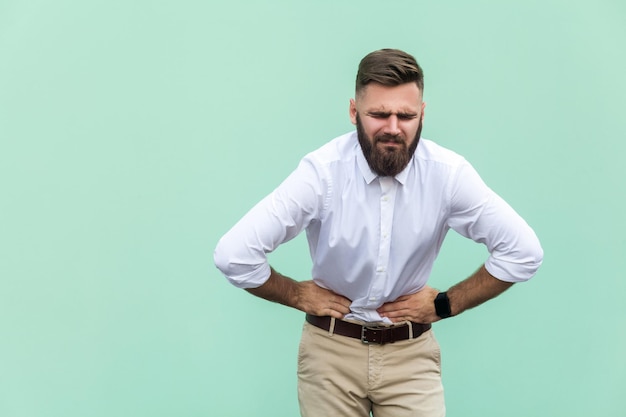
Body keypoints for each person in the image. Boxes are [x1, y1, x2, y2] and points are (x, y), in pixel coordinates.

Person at [214, 48, 543, 417]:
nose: (392, 127)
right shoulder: (322, 173)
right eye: (378, 114)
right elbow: (233, 255)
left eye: (406, 115)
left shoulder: (447, 174)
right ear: (354, 112)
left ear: (422, 114)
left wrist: (447, 303)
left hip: (411, 356)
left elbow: (523, 252)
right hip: (330, 355)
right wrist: (292, 293)